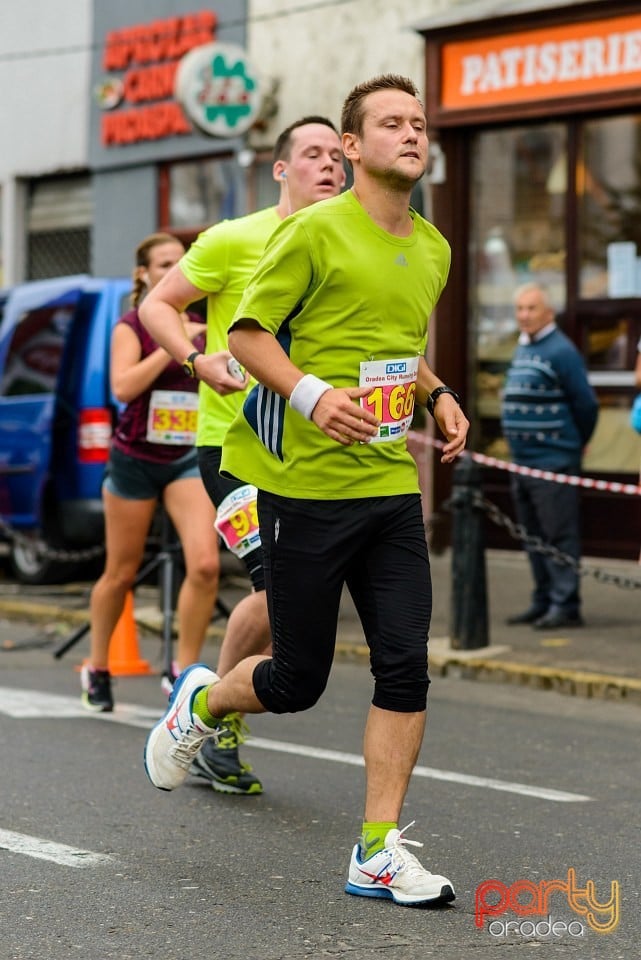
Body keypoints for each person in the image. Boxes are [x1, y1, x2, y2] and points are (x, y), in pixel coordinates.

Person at [144, 74, 469, 908]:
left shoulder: (431, 247)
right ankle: (201, 705)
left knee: (404, 668)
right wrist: (310, 396)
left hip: (389, 485)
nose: (411, 133)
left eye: (418, 122)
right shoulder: (312, 233)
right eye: (391, 123)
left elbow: (393, 341)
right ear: (355, 147)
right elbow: (247, 334)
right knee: (296, 680)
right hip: (301, 488)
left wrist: (434, 393)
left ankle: (376, 851)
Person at [139, 117, 345, 794]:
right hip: (231, 447)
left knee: (288, 601)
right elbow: (157, 305)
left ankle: (207, 701)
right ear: (280, 169)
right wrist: (197, 360)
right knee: (271, 586)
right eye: (311, 154)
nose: (329, 165)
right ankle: (211, 726)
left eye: (337, 155)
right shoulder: (234, 239)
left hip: (308, 453)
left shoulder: (349, 241)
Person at [80, 233, 219, 712]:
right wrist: (176, 345)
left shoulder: (206, 321)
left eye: (179, 263)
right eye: (163, 263)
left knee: (204, 563)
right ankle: (97, 667)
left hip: (186, 457)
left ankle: (182, 672)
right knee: (120, 573)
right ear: (144, 273)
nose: (172, 269)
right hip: (136, 457)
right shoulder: (132, 325)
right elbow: (122, 386)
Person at [502, 282, 598, 630]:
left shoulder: (561, 350)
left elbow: (586, 403)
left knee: (559, 534)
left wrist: (575, 442)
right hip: (521, 459)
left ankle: (565, 604)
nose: (524, 315)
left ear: (549, 312)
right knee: (532, 535)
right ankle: (543, 600)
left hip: (553, 460)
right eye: (520, 309)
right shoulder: (523, 347)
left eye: (531, 308)